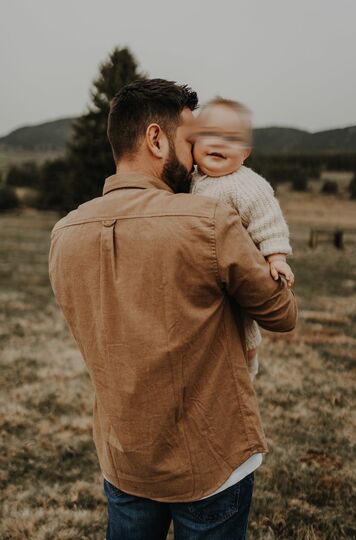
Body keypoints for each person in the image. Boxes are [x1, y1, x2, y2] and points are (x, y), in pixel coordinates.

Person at [49, 79, 297, 540]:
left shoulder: (63, 234)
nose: (199, 153)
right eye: (190, 141)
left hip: (125, 459)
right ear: (156, 139)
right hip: (211, 464)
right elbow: (282, 314)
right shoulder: (209, 221)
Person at [191, 97, 294, 381]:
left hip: (234, 272)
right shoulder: (189, 179)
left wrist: (276, 257)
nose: (219, 143)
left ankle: (246, 371)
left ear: (245, 152)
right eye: (210, 134)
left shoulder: (246, 185)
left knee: (241, 327)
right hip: (199, 273)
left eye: (230, 138)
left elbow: (267, 220)